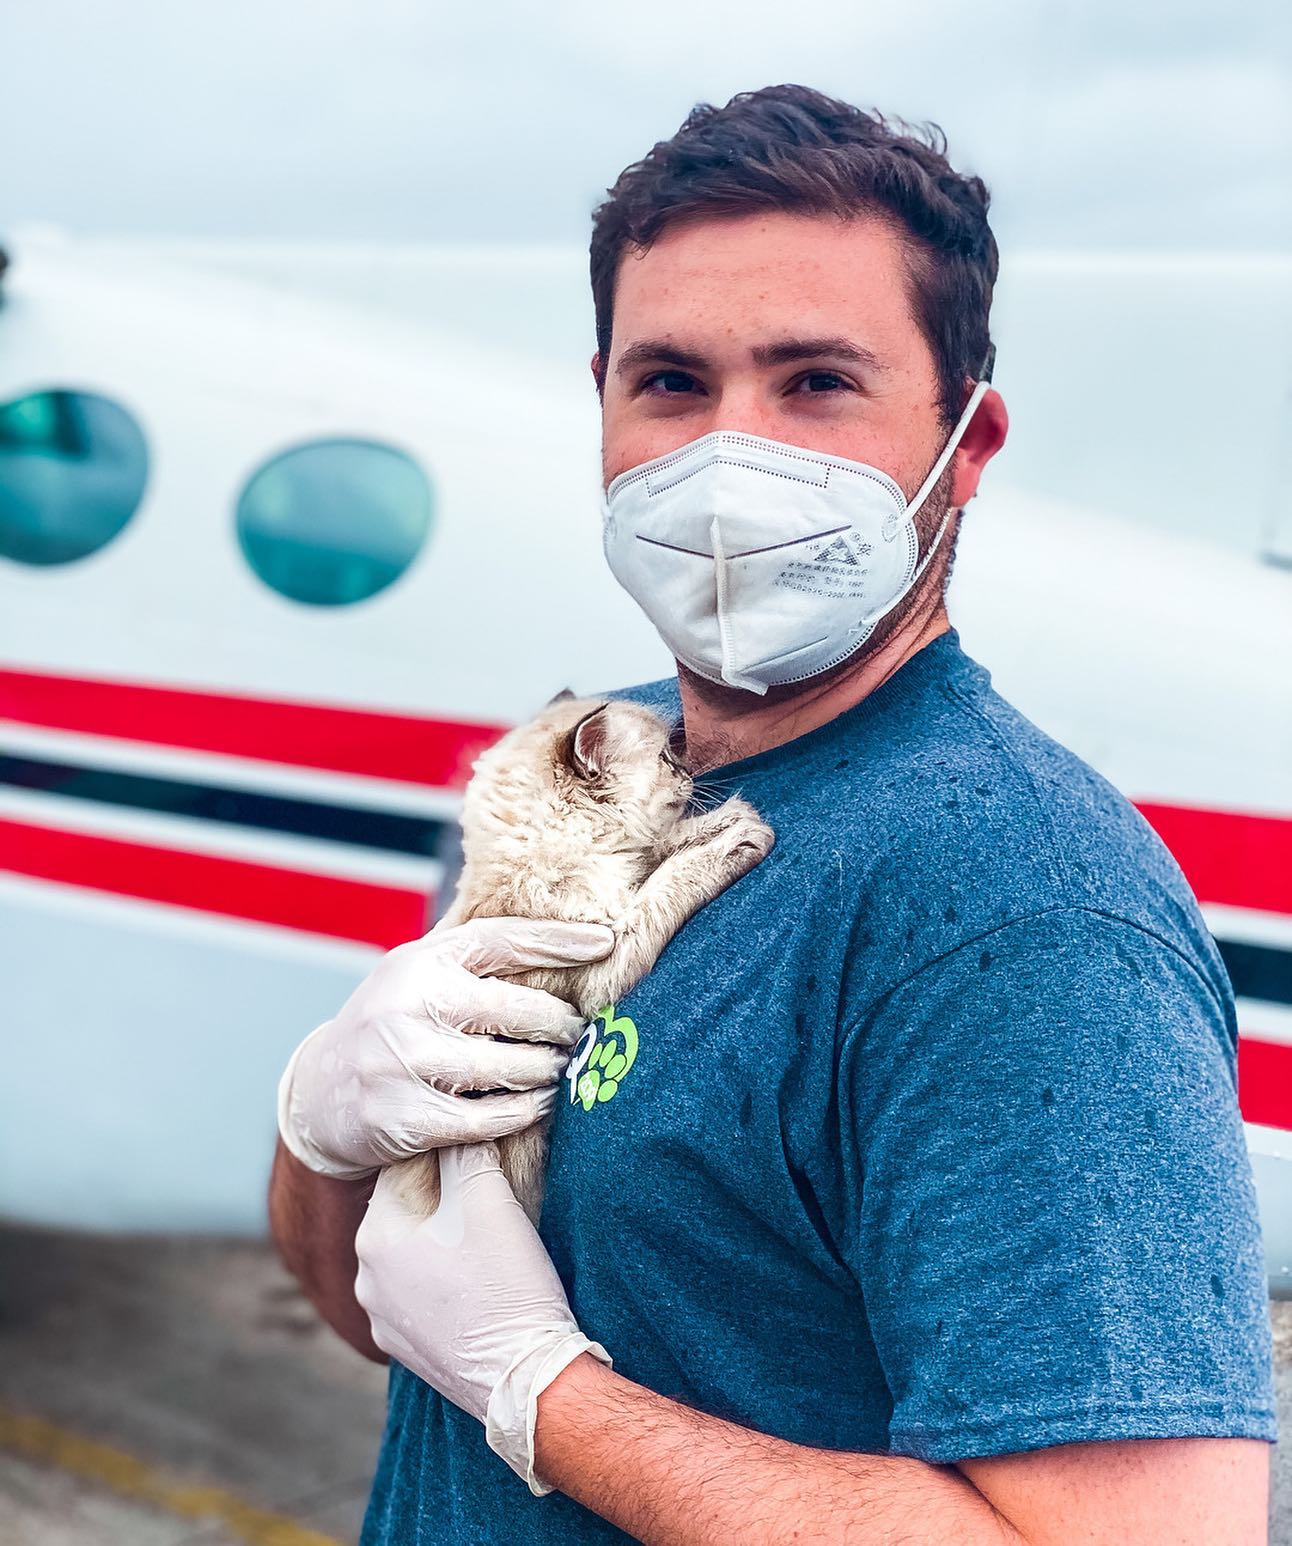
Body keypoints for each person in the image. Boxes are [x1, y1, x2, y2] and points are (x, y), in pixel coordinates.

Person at [269, 85, 1276, 1543]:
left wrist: (545, 1392)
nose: (729, 458)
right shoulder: (583, 768)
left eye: (815, 383)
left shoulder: (1016, 909)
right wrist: (321, 1125)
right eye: (672, 382)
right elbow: (381, 1311)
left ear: (967, 443)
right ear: (603, 408)